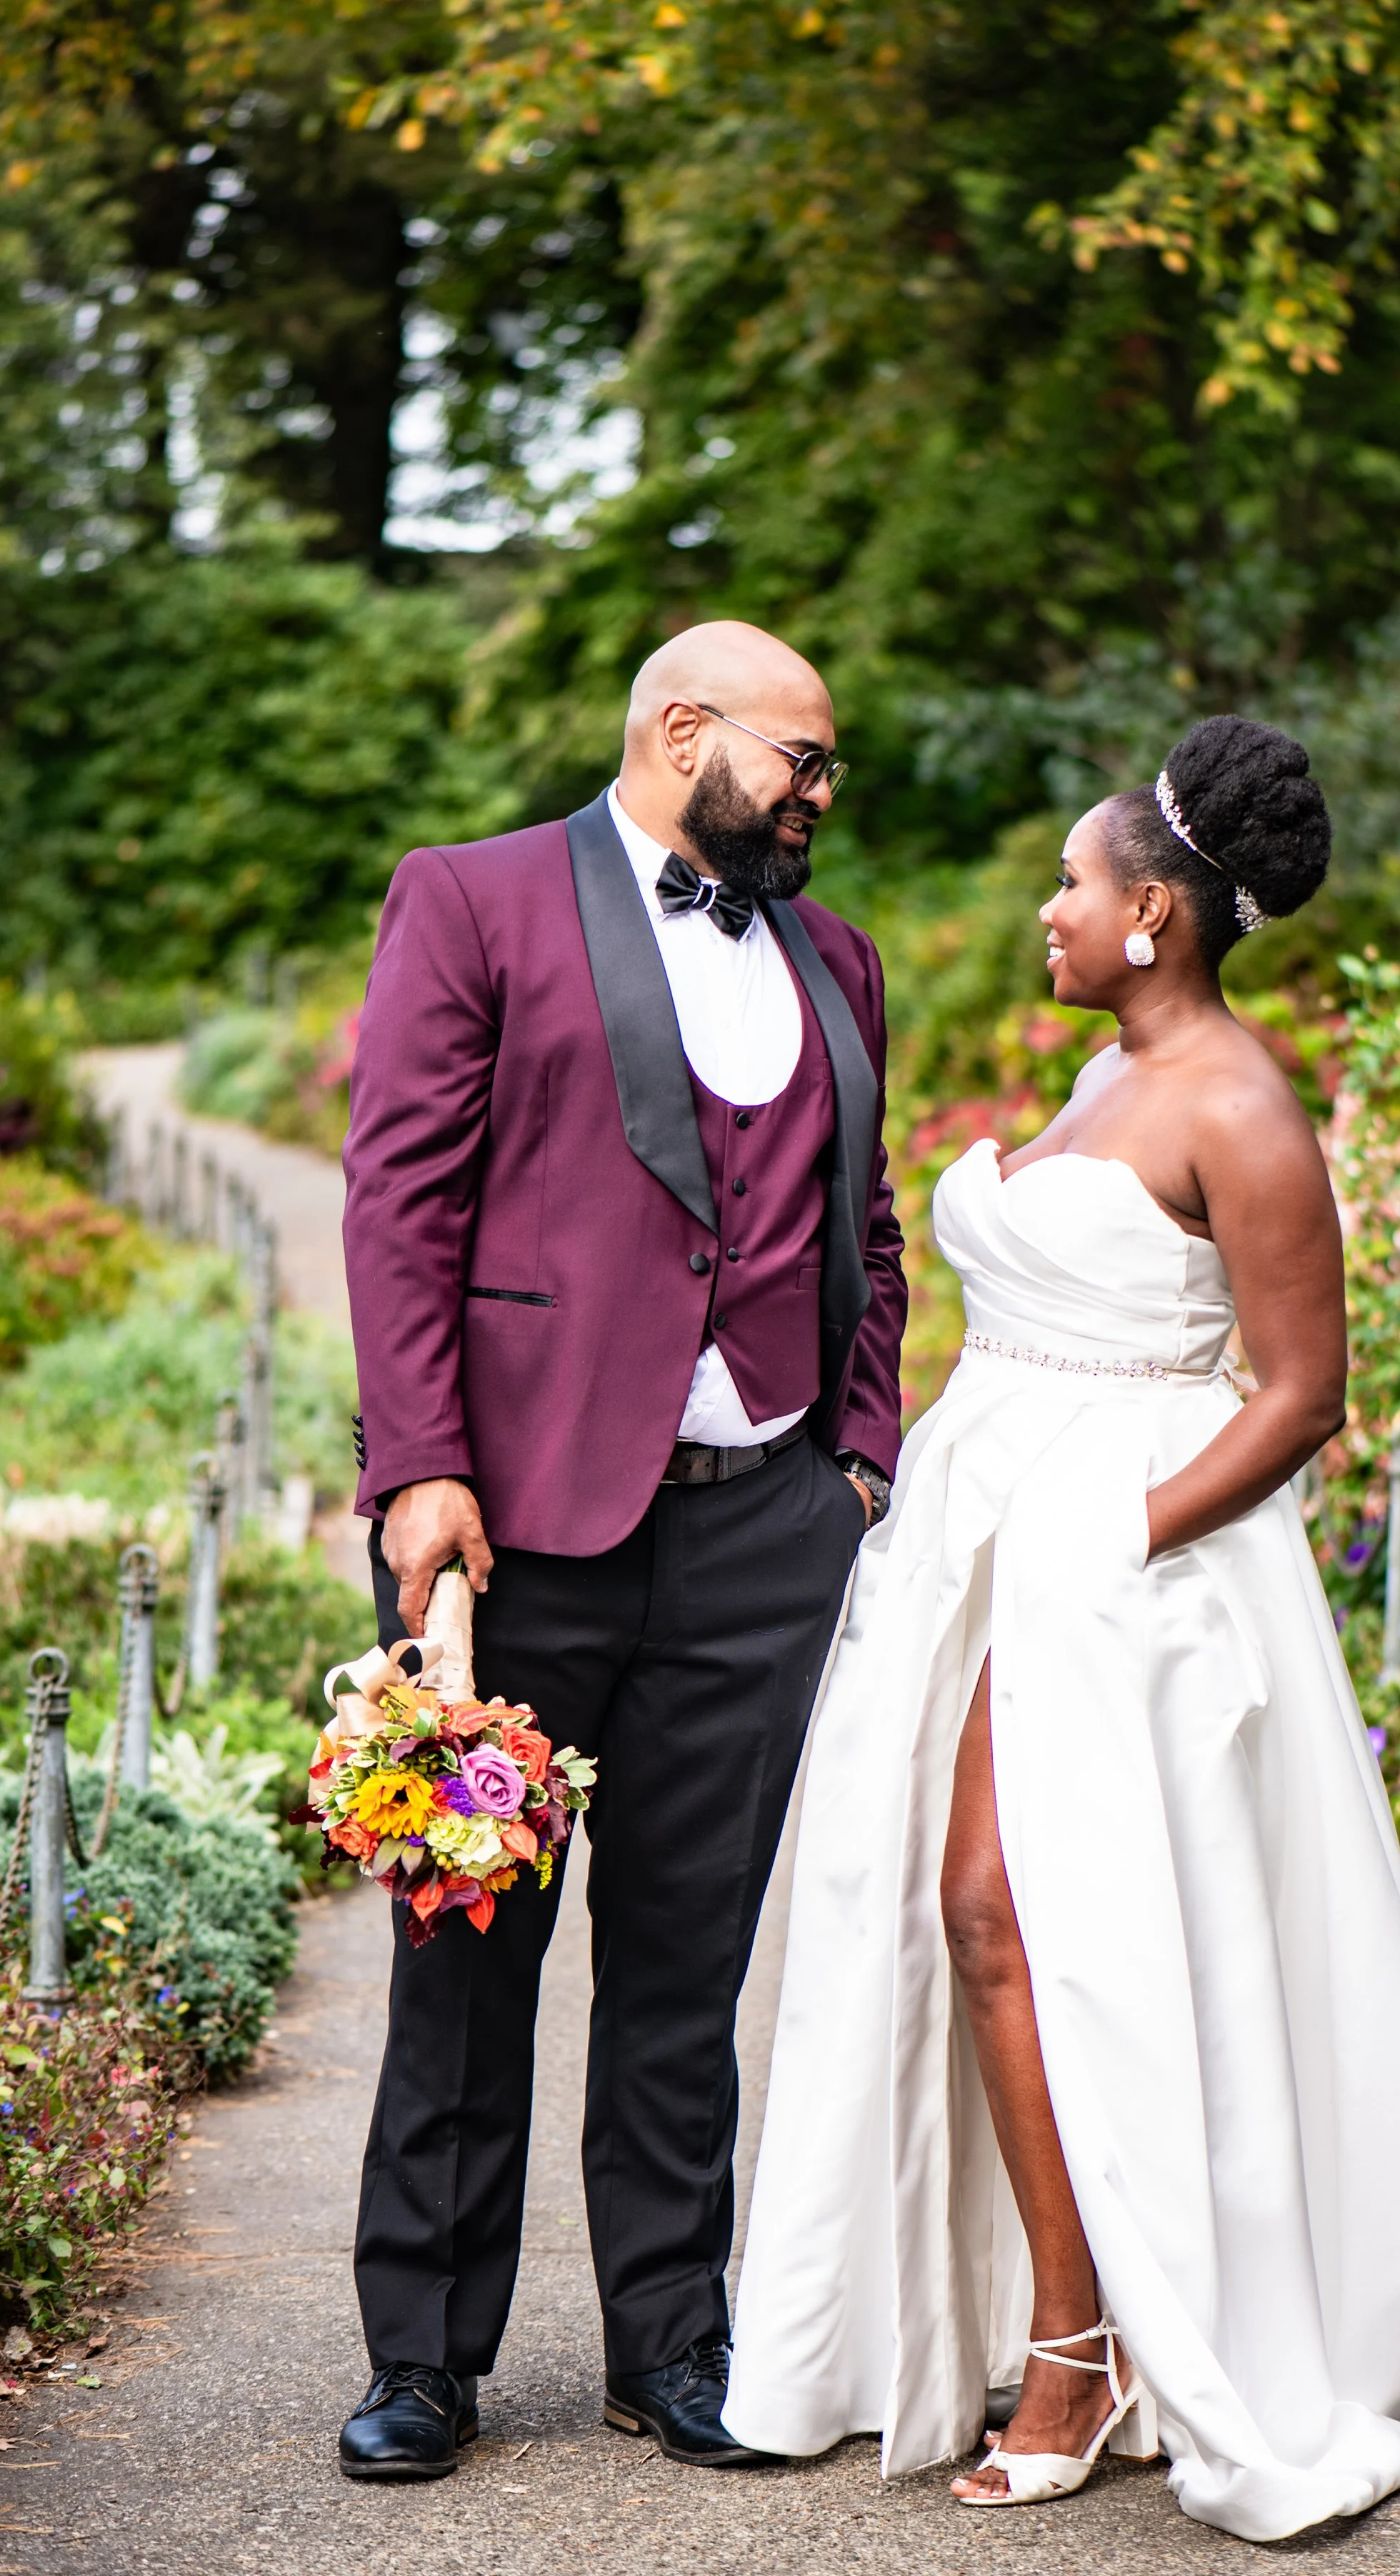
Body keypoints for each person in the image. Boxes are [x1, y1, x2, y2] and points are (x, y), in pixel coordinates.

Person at [724, 713, 1400, 2540]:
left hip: (1132, 1576)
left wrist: (1111, 1534)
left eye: (1070, 879)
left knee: (1015, 1919)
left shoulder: (1238, 1103)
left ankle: (1079, 2339)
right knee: (981, 1918)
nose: (1044, 907)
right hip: (1000, 1547)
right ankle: (1066, 2313)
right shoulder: (1113, 1073)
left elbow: (1300, 1396)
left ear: (1153, 916)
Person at [335, 621, 906, 2478]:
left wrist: (860, 1454)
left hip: (762, 1533)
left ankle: (672, 2342)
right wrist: (418, 1464)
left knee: (684, 1967)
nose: (823, 793)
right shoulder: (477, 900)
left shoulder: (839, 959)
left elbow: (865, 1226)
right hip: (515, 1531)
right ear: (684, 731)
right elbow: (398, 1193)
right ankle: (424, 2354)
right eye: (801, 759)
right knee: (467, 1941)